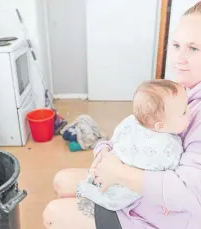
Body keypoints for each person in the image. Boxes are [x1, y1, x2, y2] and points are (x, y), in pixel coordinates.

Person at [42, 0, 201, 229]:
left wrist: (121, 172)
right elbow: (149, 132)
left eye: (193, 48)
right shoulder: (199, 84)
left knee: (53, 216)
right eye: (177, 45)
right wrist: (106, 151)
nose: (179, 59)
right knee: (62, 181)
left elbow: (193, 192)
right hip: (153, 201)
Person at [76, 80, 188, 212]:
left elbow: (112, 142)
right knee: (115, 198)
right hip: (123, 189)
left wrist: (102, 151)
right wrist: (165, 200)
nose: (190, 112)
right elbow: (168, 180)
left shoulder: (130, 122)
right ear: (160, 126)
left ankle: (89, 191)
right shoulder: (170, 147)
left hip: (102, 172)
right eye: (184, 112)